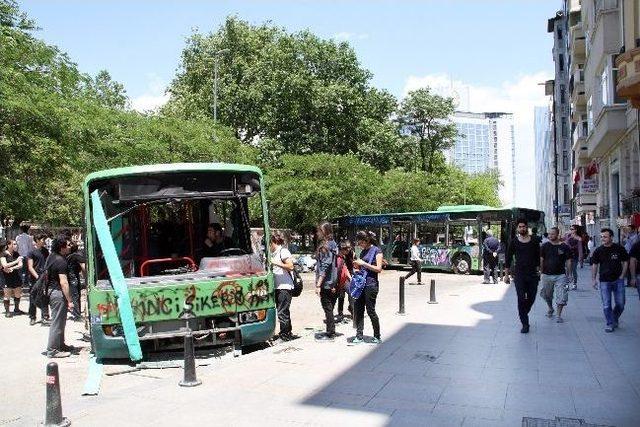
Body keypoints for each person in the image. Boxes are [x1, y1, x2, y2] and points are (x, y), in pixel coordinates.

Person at [504, 219, 540, 333]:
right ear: (517, 228)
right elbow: (508, 258)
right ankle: (525, 323)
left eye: (524, 226)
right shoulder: (514, 241)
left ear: (527, 227)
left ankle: (524, 312)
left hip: (532, 274)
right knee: (520, 298)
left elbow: (538, 256)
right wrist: (506, 275)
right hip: (519, 274)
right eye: (520, 227)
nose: (522, 228)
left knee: (532, 297)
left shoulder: (534, 240)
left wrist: (539, 270)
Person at [591, 228, 629, 332]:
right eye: (602, 236)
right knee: (606, 304)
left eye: (605, 236)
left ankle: (614, 317)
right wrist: (593, 279)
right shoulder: (598, 250)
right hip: (604, 281)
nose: (603, 238)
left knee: (621, 304)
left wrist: (622, 275)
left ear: (611, 237)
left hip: (618, 280)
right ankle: (610, 323)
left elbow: (626, 261)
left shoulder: (619, 248)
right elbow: (594, 265)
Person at [46, 235, 75, 358]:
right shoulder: (61, 261)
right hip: (58, 293)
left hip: (52, 291)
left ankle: (60, 345)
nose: (70, 246)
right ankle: (52, 350)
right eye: (68, 245)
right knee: (57, 321)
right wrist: (70, 300)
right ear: (62, 247)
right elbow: (64, 282)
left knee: (61, 321)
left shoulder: (52, 257)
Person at [352, 230, 383, 344]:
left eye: (361, 242)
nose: (359, 245)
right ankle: (359, 335)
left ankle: (377, 335)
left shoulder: (376, 251)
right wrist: (356, 267)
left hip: (371, 284)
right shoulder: (362, 252)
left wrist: (363, 264)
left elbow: (379, 269)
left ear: (366, 240)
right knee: (359, 310)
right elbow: (360, 268)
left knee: (371, 311)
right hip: (361, 285)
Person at [539, 227, 572, 323]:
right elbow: (541, 259)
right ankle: (550, 308)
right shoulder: (544, 246)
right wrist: (541, 272)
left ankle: (558, 315)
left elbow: (568, 260)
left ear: (558, 234)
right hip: (546, 274)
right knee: (547, 295)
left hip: (560, 275)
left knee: (561, 295)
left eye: (552, 234)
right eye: (549, 234)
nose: (550, 236)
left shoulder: (564, 247)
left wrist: (569, 274)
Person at [314, 222, 339, 341]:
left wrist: (318, 284)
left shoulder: (327, 246)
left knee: (327, 308)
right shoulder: (333, 244)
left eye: (319, 231)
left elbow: (325, 265)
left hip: (326, 282)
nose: (317, 233)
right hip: (333, 280)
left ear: (324, 232)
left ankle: (330, 333)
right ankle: (330, 331)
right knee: (329, 308)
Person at [269, 232, 295, 341]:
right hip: (277, 287)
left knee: (282, 312)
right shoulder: (273, 254)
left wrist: (275, 263)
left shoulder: (283, 251)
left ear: (272, 242)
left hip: (284, 287)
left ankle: (284, 336)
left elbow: (290, 266)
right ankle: (287, 332)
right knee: (283, 311)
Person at [27, 233, 50, 325]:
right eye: (42, 240)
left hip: (44, 276)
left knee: (44, 296)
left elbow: (48, 263)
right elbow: (30, 267)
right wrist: (37, 277)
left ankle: (45, 316)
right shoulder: (31, 252)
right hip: (35, 277)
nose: (44, 241)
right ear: (37, 241)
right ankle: (32, 317)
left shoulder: (45, 251)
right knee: (33, 296)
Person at [1, 239, 25, 317]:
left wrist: (12, 268)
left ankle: (16, 309)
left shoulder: (16, 254)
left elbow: (20, 265)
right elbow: (5, 265)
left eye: (16, 244)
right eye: (14, 244)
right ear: (8, 245)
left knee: (18, 293)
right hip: (6, 277)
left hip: (16, 275)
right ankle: (7, 311)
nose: (16, 245)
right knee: (7, 294)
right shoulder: (3, 254)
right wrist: (16, 262)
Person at [67, 243, 86, 321]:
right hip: (73, 277)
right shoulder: (76, 256)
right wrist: (86, 278)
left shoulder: (70, 256)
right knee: (76, 296)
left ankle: (77, 314)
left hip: (72, 277)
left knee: (75, 295)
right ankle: (77, 315)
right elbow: (83, 267)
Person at [336, 241, 355, 323]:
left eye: (349, 248)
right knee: (341, 296)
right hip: (341, 276)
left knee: (351, 293)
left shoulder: (351, 253)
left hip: (348, 275)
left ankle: (352, 310)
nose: (348, 250)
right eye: (347, 248)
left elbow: (352, 264)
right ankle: (340, 313)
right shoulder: (339, 255)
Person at [564, 225, 583, 290]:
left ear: (576, 230)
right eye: (570, 229)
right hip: (567, 255)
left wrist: (581, 258)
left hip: (575, 256)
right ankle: (566, 284)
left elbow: (580, 249)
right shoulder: (567, 236)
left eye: (572, 229)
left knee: (574, 270)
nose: (571, 230)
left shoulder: (579, 238)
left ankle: (574, 284)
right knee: (567, 270)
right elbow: (565, 243)